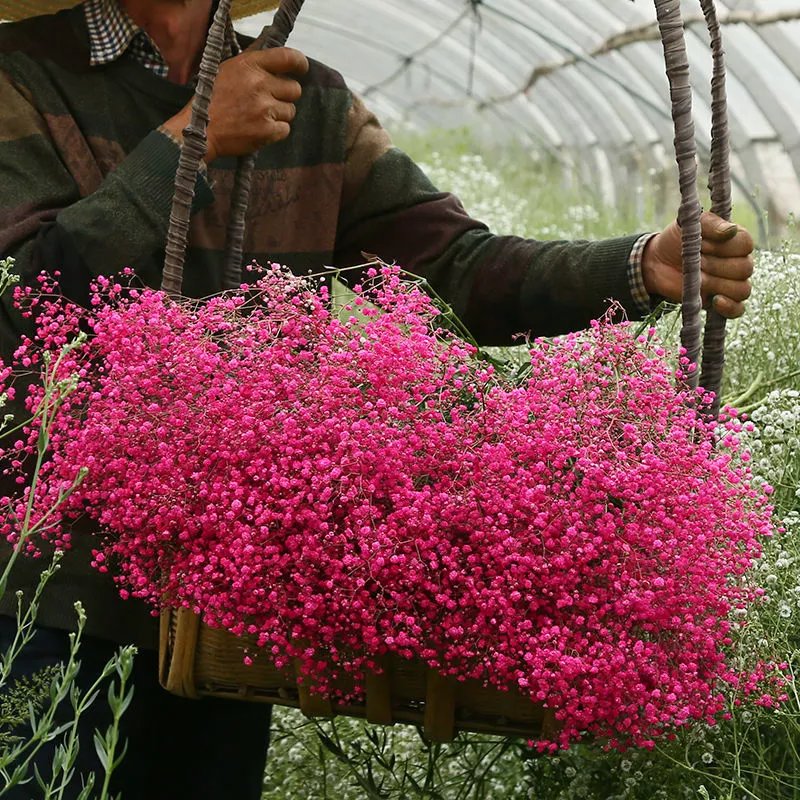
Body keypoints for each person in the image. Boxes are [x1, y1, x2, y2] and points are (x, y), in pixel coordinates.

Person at [0, 1, 753, 798]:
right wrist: (188, 141)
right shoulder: (17, 73)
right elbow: (25, 292)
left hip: (231, 588)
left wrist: (640, 267)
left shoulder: (306, 98)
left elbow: (455, 265)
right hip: (55, 589)